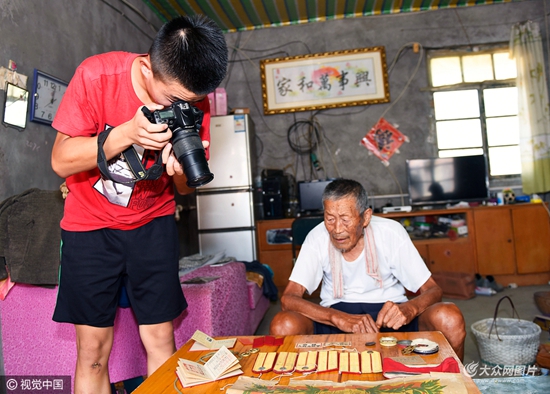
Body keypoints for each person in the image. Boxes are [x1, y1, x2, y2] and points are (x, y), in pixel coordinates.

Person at [50, 15, 227, 394]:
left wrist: (178, 172)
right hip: (90, 226)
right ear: (147, 69)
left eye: (194, 102)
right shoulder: (97, 76)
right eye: (176, 100)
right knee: (93, 351)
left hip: (153, 224)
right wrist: (124, 134)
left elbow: (185, 189)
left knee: (162, 340)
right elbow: (60, 160)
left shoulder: (194, 100)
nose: (186, 108)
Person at [270, 179, 466, 360]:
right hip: (337, 319)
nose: (337, 229)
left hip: (390, 318)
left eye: (345, 219)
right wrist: (336, 317)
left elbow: (434, 290)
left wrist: (409, 308)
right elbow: (289, 298)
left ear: (365, 217)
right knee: (282, 324)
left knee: (450, 317)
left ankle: (457, 385)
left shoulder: (391, 232)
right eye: (330, 219)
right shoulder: (317, 237)